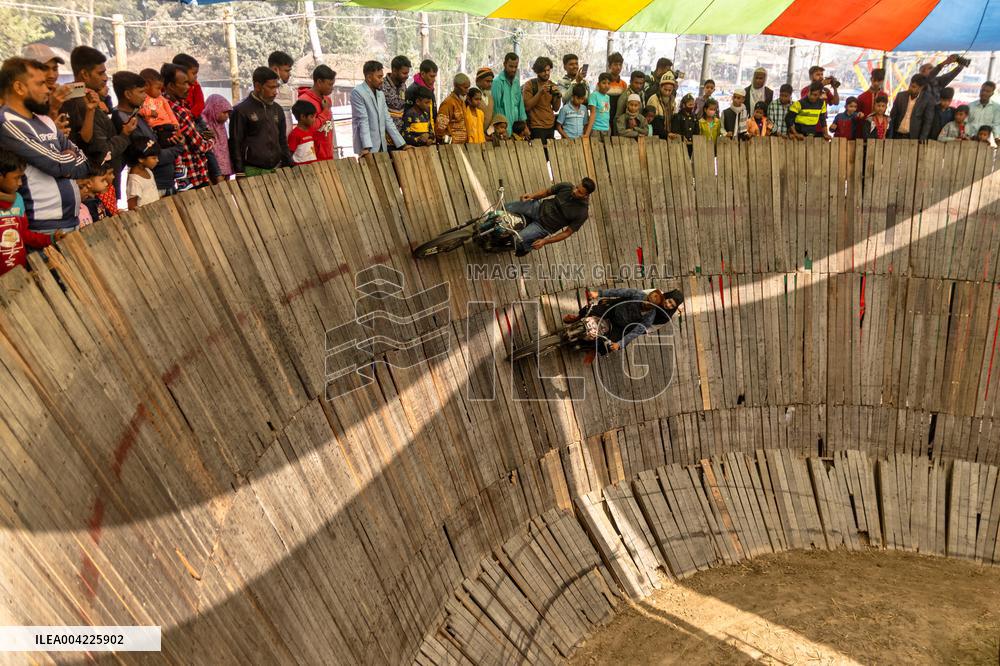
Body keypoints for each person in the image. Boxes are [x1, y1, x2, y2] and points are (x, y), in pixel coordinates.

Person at [0, 58, 90, 235]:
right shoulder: (7, 123)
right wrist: (69, 157)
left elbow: (85, 164)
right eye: (40, 83)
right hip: (41, 230)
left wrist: (63, 160)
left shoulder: (46, 120)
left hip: (72, 222)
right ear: (19, 88)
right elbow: (56, 165)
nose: (47, 89)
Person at [62, 46, 134, 188]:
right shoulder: (75, 102)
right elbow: (99, 149)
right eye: (100, 73)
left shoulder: (87, 98)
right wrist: (124, 136)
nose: (105, 78)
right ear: (84, 74)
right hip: (92, 183)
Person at [563, 288, 682, 363]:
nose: (668, 304)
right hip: (615, 310)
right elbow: (620, 292)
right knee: (591, 309)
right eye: (669, 300)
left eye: (672, 305)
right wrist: (598, 293)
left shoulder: (656, 317)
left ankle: (593, 349)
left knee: (609, 345)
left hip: (624, 326)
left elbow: (638, 331)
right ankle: (577, 318)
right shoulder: (643, 294)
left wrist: (619, 344)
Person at [112, 71, 183, 195]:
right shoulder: (123, 119)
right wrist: (178, 148)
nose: (145, 96)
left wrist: (171, 141)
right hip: (154, 184)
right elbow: (149, 154)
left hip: (161, 182)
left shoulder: (137, 115)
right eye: (141, 92)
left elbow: (153, 144)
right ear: (128, 94)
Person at [0, 149, 56, 276]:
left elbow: (23, 234)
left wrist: (50, 238)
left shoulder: (18, 200)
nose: (20, 183)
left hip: (19, 272)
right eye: (16, 177)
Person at [505, 178, 595, 256]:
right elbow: (547, 192)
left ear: (586, 195)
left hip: (543, 227)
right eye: (576, 187)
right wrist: (532, 196)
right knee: (506, 207)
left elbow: (567, 233)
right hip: (538, 208)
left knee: (516, 241)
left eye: (579, 192)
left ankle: (527, 247)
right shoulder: (566, 186)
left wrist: (545, 241)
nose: (575, 191)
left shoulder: (582, 213)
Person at [229, 67, 291, 177]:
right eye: (271, 88)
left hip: (276, 170)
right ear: (257, 86)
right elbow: (235, 143)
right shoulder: (241, 111)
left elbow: (282, 140)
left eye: (276, 87)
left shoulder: (278, 110)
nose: (275, 92)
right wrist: (239, 171)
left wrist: (289, 164)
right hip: (251, 172)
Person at [161, 62, 214, 189]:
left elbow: (203, 133)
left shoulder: (176, 104)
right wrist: (211, 139)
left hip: (186, 176)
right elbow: (201, 146)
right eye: (184, 83)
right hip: (192, 177)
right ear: (170, 86)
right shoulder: (178, 110)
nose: (188, 87)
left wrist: (205, 135)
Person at [351, 60, 409, 156]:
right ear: (369, 77)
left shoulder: (380, 94)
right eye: (379, 77)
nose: (382, 80)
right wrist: (366, 147)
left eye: (382, 76)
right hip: (367, 148)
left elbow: (387, 120)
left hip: (382, 145)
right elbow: (362, 120)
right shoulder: (357, 92)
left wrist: (402, 144)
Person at [297, 65, 336, 161]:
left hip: (328, 154)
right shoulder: (304, 100)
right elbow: (309, 127)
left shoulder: (327, 100)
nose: (332, 88)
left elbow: (329, 126)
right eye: (329, 84)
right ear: (319, 82)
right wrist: (325, 112)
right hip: (312, 156)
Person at [522, 57, 561, 143]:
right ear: (537, 71)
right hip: (536, 126)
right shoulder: (530, 85)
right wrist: (540, 92)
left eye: (548, 70)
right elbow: (527, 106)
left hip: (550, 126)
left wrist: (558, 96)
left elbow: (556, 108)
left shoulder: (552, 85)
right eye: (543, 71)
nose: (546, 73)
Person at [139, 68, 179, 147]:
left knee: (174, 140)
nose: (160, 92)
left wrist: (175, 123)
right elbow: (139, 111)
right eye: (158, 88)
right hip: (155, 128)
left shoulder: (162, 98)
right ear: (146, 85)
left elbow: (169, 112)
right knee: (164, 144)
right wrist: (149, 112)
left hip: (167, 125)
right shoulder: (142, 98)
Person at [889, 74, 934, 140]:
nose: (910, 88)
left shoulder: (927, 100)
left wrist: (922, 138)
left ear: (921, 88)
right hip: (897, 135)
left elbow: (927, 121)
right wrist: (890, 135)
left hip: (913, 137)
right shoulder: (900, 96)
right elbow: (892, 117)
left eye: (913, 87)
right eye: (910, 85)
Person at [203, 94, 233, 180]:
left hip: (225, 169)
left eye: (228, 113)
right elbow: (209, 147)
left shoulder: (222, 125)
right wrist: (217, 173)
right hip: (211, 170)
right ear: (215, 109)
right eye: (224, 112)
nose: (227, 116)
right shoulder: (204, 124)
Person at [125, 136, 161, 209]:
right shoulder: (135, 180)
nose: (157, 160)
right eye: (154, 158)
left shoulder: (148, 171)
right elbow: (132, 206)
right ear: (141, 159)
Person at [436, 73, 471, 144]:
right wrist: (448, 142)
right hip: (452, 147)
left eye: (468, 88)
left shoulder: (462, 102)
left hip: (463, 145)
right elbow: (440, 128)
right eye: (465, 88)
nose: (467, 91)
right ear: (456, 86)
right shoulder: (448, 103)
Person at [493, 53, 526, 126]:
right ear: (504, 64)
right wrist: (501, 128)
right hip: (503, 128)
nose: (513, 69)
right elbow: (496, 108)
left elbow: (520, 105)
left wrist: (524, 125)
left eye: (515, 67)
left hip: (516, 128)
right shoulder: (497, 82)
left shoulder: (516, 81)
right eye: (511, 66)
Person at [268, 50, 296, 131]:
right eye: (287, 71)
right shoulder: (262, 91)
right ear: (275, 69)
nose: (289, 74)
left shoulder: (287, 89)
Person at [382, 55, 410, 134]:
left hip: (401, 135)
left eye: (407, 73)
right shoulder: (381, 86)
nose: (407, 76)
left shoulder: (403, 86)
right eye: (404, 73)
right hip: (385, 135)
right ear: (394, 71)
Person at [405, 59, 438, 124]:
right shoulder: (412, 90)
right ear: (422, 74)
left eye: (435, 76)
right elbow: (407, 115)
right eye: (431, 76)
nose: (434, 80)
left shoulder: (430, 89)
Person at [288, 100, 319, 164]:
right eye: (312, 117)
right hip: (300, 170)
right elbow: (289, 154)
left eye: (315, 117)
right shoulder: (294, 134)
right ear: (303, 117)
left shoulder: (312, 131)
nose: (314, 119)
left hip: (313, 167)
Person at [648, 73, 678, 139]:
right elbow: (654, 122)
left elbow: (675, 119)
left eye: (669, 90)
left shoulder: (673, 101)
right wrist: (666, 134)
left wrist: (673, 133)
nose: (667, 92)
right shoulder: (653, 99)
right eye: (665, 89)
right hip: (656, 136)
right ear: (660, 87)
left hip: (669, 136)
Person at [584, 73, 612, 139]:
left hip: (607, 129)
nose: (606, 85)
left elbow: (606, 114)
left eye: (609, 83)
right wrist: (587, 133)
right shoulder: (594, 95)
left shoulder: (607, 97)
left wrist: (608, 127)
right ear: (598, 84)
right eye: (604, 83)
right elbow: (592, 114)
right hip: (596, 130)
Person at [605, 52, 627, 134]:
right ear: (610, 66)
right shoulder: (603, 83)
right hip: (605, 117)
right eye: (615, 64)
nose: (618, 67)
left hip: (618, 117)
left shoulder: (623, 84)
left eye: (620, 65)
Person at [476, 67, 495, 131]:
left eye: (491, 81)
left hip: (487, 135)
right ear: (478, 81)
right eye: (487, 81)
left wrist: (489, 133)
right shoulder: (472, 96)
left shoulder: (490, 97)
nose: (490, 84)